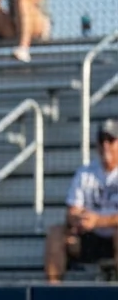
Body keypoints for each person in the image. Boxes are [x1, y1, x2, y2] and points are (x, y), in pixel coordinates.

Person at [45, 119, 118, 283]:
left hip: (114, 234)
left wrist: (98, 221)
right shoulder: (85, 173)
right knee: (57, 234)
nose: (105, 145)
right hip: (90, 237)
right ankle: (51, 293)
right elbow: (72, 211)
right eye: (101, 140)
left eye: (111, 140)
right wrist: (78, 219)